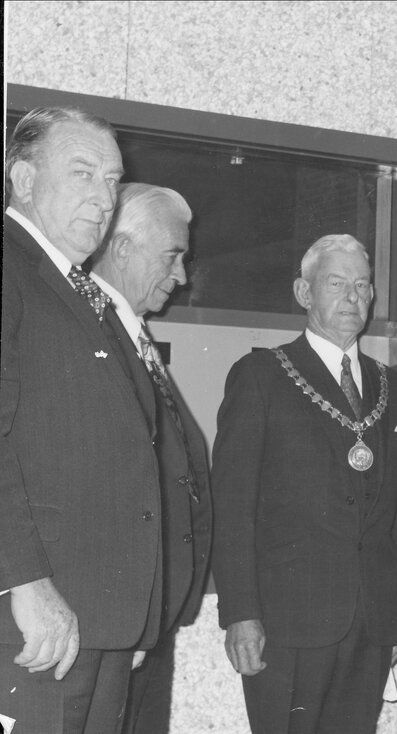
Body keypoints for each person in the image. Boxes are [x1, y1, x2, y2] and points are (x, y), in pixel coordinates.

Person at [1, 108, 163, 733]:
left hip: (98, 616)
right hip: (38, 618)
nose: (104, 197)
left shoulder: (82, 291)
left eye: (113, 179)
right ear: (22, 179)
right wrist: (27, 584)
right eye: (83, 173)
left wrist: (135, 611)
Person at [211, 234, 397, 733]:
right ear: (304, 292)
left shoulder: (393, 387)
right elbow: (232, 507)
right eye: (337, 283)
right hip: (286, 623)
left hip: (370, 619)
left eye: (363, 286)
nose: (354, 298)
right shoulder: (262, 375)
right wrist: (240, 613)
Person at [89, 183, 213, 734]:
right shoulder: (83, 334)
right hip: (109, 619)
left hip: (148, 617)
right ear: (121, 249)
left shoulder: (136, 335)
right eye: (171, 256)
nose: (182, 276)